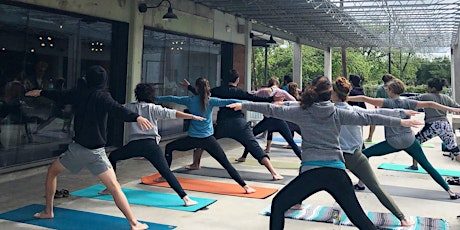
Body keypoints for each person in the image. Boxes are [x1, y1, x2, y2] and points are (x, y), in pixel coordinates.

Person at [227, 76, 422, 230]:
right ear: (331, 94)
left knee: (278, 205)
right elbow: (369, 116)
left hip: (312, 173)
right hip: (336, 173)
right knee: (360, 219)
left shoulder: (301, 111)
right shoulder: (338, 112)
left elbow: (269, 108)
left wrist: (244, 105)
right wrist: (400, 118)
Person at [25, 65, 152, 230]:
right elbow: (117, 110)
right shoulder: (103, 96)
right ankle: (134, 223)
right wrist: (137, 117)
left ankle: (48, 211)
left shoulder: (80, 92)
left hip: (76, 150)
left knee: (52, 172)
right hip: (95, 153)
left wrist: (41, 92)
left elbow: (61, 96)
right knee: (114, 188)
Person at [348, 78, 460, 199]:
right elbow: (430, 104)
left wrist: (346, 99)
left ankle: (361, 184)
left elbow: (364, 98)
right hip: (410, 140)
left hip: (393, 142)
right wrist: (452, 109)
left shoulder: (387, 103)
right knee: (427, 165)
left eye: (387, 89)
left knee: (364, 155)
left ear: (390, 91)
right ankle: (450, 192)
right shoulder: (407, 103)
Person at [98, 83, 206, 206]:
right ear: (151, 94)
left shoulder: (129, 107)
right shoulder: (153, 108)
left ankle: (110, 188)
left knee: (113, 156)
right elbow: (173, 113)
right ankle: (186, 198)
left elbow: (114, 110)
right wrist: (192, 116)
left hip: (134, 145)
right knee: (166, 171)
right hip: (151, 146)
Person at [332, 76, 414, 226]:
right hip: (353, 156)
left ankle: (298, 202)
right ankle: (402, 218)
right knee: (375, 187)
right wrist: (401, 112)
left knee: (322, 182)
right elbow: (379, 114)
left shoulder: (329, 111)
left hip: (335, 157)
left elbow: (300, 106)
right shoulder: (355, 111)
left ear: (335, 94)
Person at [155, 77, 256, 193]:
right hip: (208, 140)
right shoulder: (211, 101)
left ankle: (164, 176)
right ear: (207, 88)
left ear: (197, 88)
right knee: (226, 163)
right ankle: (245, 186)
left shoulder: (190, 100)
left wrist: (155, 98)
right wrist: (253, 103)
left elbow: (172, 98)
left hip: (193, 139)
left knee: (169, 147)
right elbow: (230, 101)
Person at [181, 70, 284, 180]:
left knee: (203, 140)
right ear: (237, 80)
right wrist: (272, 99)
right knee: (254, 147)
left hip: (223, 124)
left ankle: (196, 164)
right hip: (239, 124)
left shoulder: (219, 90)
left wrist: (189, 87)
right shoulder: (240, 92)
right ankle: (274, 173)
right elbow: (255, 98)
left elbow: (201, 94)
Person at [238, 77, 302, 160]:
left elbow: (252, 95)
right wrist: (282, 103)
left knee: (250, 136)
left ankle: (244, 156)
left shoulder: (263, 91)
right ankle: (302, 159)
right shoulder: (281, 92)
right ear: (277, 84)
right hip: (279, 119)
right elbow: (293, 100)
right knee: (291, 142)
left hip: (268, 120)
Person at [406, 77, 460, 170]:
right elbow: (457, 107)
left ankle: (415, 165)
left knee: (414, 143)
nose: (427, 88)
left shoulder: (426, 96)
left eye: (429, 87)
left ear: (433, 88)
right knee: (455, 150)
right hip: (445, 125)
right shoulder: (446, 98)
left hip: (433, 125)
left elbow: (410, 100)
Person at [366, 74, 395, 142]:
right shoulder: (393, 88)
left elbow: (376, 100)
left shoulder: (380, 89)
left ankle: (370, 137)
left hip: (382, 108)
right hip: (392, 108)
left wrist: (376, 107)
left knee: (373, 121)